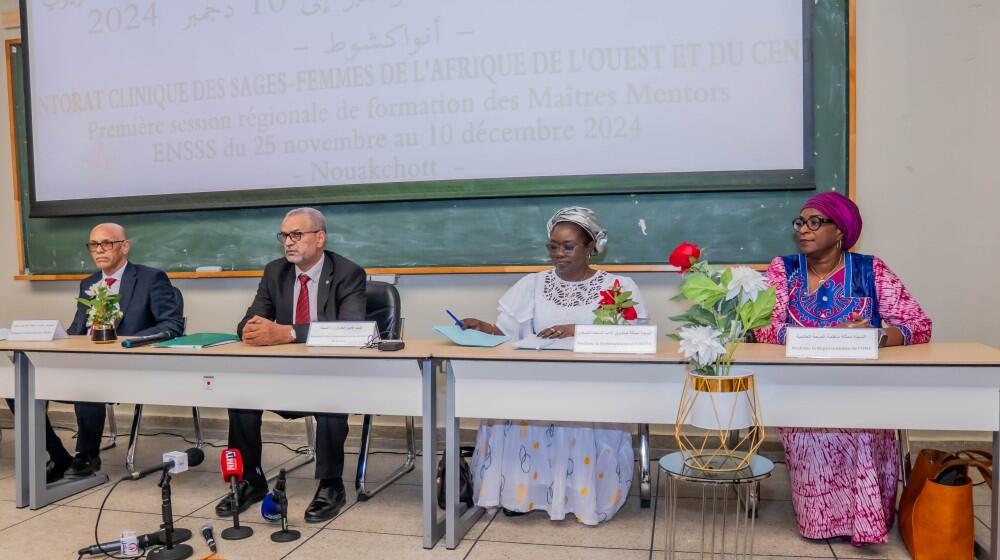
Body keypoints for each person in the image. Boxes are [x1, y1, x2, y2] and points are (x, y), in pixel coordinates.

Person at [755, 191, 932, 546]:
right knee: (813, 430)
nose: (804, 229)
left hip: (862, 383)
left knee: (863, 420)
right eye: (800, 223)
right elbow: (763, 328)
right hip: (800, 384)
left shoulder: (871, 270)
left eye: (815, 222)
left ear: (840, 232)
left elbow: (919, 325)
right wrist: (827, 336)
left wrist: (876, 335)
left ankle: (866, 521)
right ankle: (819, 522)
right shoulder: (783, 269)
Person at [460, 207, 647, 525]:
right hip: (536, 378)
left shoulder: (618, 287)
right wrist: (483, 327)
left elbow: (636, 339)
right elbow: (508, 336)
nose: (559, 254)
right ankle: (520, 494)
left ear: (590, 248)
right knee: (511, 402)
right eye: (553, 246)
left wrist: (577, 330)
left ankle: (579, 496)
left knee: (576, 411)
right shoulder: (531, 285)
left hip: (593, 383)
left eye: (568, 246)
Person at [215, 207, 366, 523]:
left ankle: (330, 484)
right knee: (241, 397)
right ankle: (249, 481)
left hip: (329, 374)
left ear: (320, 237)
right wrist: (252, 330)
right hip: (284, 374)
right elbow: (247, 321)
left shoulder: (348, 273)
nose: (288, 243)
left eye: (297, 235)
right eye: (284, 235)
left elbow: (350, 330)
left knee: (332, 398)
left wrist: (288, 332)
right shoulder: (275, 272)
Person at [7, 223, 184, 482]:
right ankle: (58, 454)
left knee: (86, 384)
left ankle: (87, 455)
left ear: (124, 246)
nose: (99, 250)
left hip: (126, 365)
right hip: (84, 362)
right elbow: (77, 329)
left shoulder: (151, 278)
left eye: (106, 243)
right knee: (17, 387)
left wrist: (127, 341)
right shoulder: (88, 283)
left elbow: (172, 325)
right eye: (93, 245)